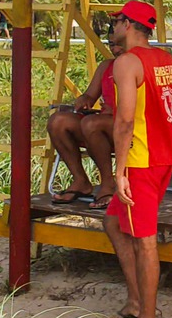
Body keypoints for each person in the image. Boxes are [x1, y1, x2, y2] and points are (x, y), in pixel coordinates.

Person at [101, 0, 172, 318]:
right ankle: (136, 301)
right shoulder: (165, 60)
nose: (113, 27)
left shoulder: (126, 62)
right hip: (164, 155)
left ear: (128, 24)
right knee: (114, 222)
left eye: (116, 21)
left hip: (141, 160)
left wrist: (118, 171)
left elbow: (125, 120)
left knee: (144, 239)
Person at [47, 39, 125, 209]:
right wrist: (84, 99)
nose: (115, 48)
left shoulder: (137, 63)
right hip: (103, 123)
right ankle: (81, 180)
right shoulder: (107, 66)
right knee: (58, 121)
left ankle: (107, 183)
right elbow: (90, 95)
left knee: (91, 123)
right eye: (111, 44)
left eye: (120, 44)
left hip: (128, 125)